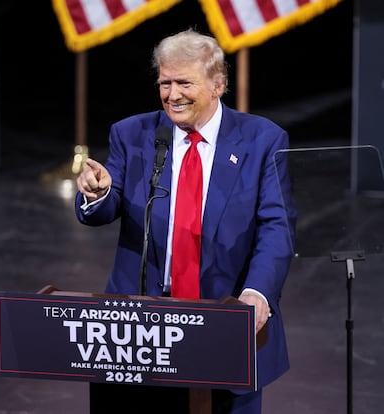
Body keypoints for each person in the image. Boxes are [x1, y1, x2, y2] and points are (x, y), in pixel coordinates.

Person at [75, 28, 296, 414]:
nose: (172, 95)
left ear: (218, 85)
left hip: (225, 322)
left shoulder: (263, 140)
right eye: (165, 82)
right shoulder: (132, 134)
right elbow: (106, 207)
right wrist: (98, 194)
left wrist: (257, 294)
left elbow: (276, 226)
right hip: (139, 333)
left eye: (184, 83)